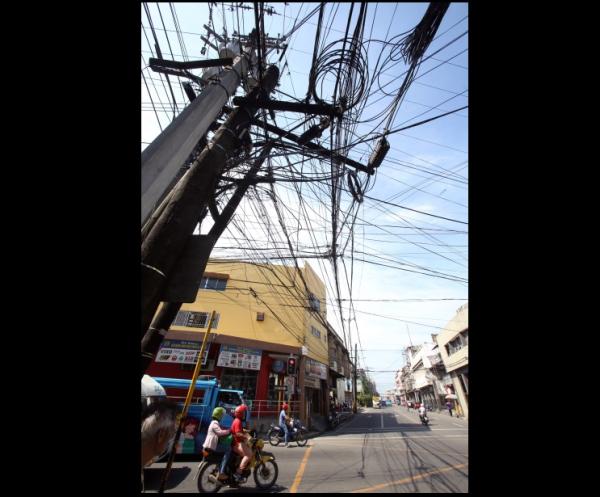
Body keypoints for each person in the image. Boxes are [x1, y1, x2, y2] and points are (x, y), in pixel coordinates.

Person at [201, 407, 232, 482]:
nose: (222, 417)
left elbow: (219, 430)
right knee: (228, 449)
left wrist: (225, 429)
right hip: (211, 446)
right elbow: (219, 432)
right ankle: (221, 472)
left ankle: (222, 468)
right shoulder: (214, 423)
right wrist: (229, 431)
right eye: (222, 415)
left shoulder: (214, 423)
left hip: (210, 446)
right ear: (219, 415)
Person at [231, 404, 252, 482]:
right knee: (248, 455)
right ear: (240, 413)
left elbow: (239, 430)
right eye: (243, 412)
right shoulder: (238, 421)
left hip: (236, 442)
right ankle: (238, 473)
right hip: (237, 443)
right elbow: (238, 433)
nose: (244, 414)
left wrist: (245, 431)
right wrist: (247, 437)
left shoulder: (236, 420)